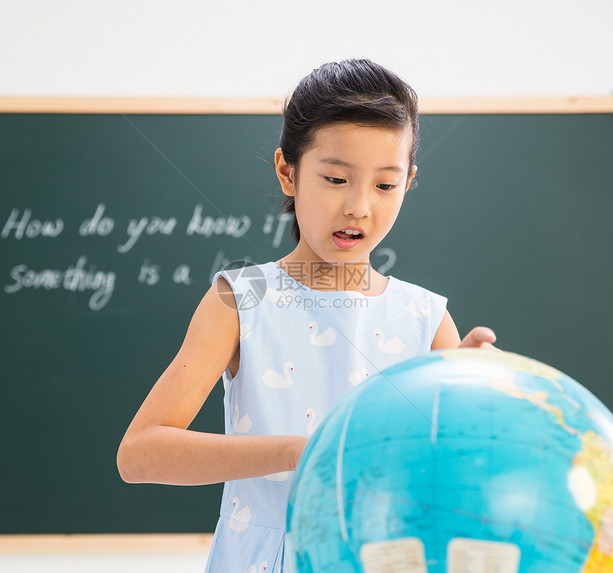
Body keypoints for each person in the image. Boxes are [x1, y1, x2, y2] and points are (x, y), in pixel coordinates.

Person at [117, 58, 497, 572]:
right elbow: (140, 453)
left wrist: (478, 408)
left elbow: (454, 477)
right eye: (336, 178)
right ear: (287, 172)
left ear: (408, 183)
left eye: (384, 185)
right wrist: (300, 452)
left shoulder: (426, 319)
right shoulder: (241, 299)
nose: (359, 207)